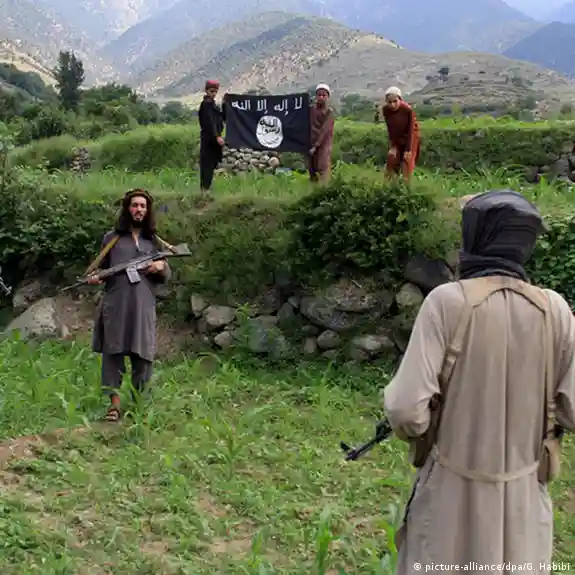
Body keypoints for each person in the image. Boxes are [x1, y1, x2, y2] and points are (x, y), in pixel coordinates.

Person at [383, 190, 575, 572]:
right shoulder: (554, 310)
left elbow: (405, 411)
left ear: (476, 237)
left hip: (449, 498)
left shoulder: (447, 302)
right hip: (524, 502)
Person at [88, 189, 172, 422]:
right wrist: (95, 278)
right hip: (116, 305)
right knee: (113, 355)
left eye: (143, 206)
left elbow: (167, 274)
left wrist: (161, 267)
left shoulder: (153, 241)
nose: (139, 210)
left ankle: (138, 405)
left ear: (148, 210)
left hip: (143, 307)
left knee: (143, 356)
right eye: (135, 205)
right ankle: (113, 406)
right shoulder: (112, 239)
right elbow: (101, 269)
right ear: (127, 209)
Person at [382, 86, 420, 182]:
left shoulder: (407, 109)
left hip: (410, 138)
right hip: (397, 137)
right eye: (389, 102)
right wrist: (392, 145)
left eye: (395, 101)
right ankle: (389, 183)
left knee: (407, 161)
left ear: (400, 99)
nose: (392, 105)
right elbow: (390, 128)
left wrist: (408, 149)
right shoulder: (386, 110)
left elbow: (411, 130)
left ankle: (406, 185)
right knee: (391, 158)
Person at [198, 79, 225, 193]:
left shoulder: (213, 105)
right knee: (207, 165)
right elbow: (210, 122)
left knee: (211, 164)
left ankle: (206, 189)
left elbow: (219, 118)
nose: (213, 94)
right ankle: (205, 190)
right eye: (211, 91)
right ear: (206, 91)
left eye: (215, 92)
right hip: (208, 140)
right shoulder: (206, 105)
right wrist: (217, 136)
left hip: (212, 140)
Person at [308, 83, 335, 183]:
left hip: (324, 143)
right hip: (311, 142)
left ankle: (325, 188)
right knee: (311, 168)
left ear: (328, 97)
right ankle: (313, 189)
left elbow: (324, 130)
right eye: (319, 95)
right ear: (316, 96)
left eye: (324, 95)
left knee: (322, 166)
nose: (321, 97)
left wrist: (316, 146)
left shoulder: (329, 112)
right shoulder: (311, 109)